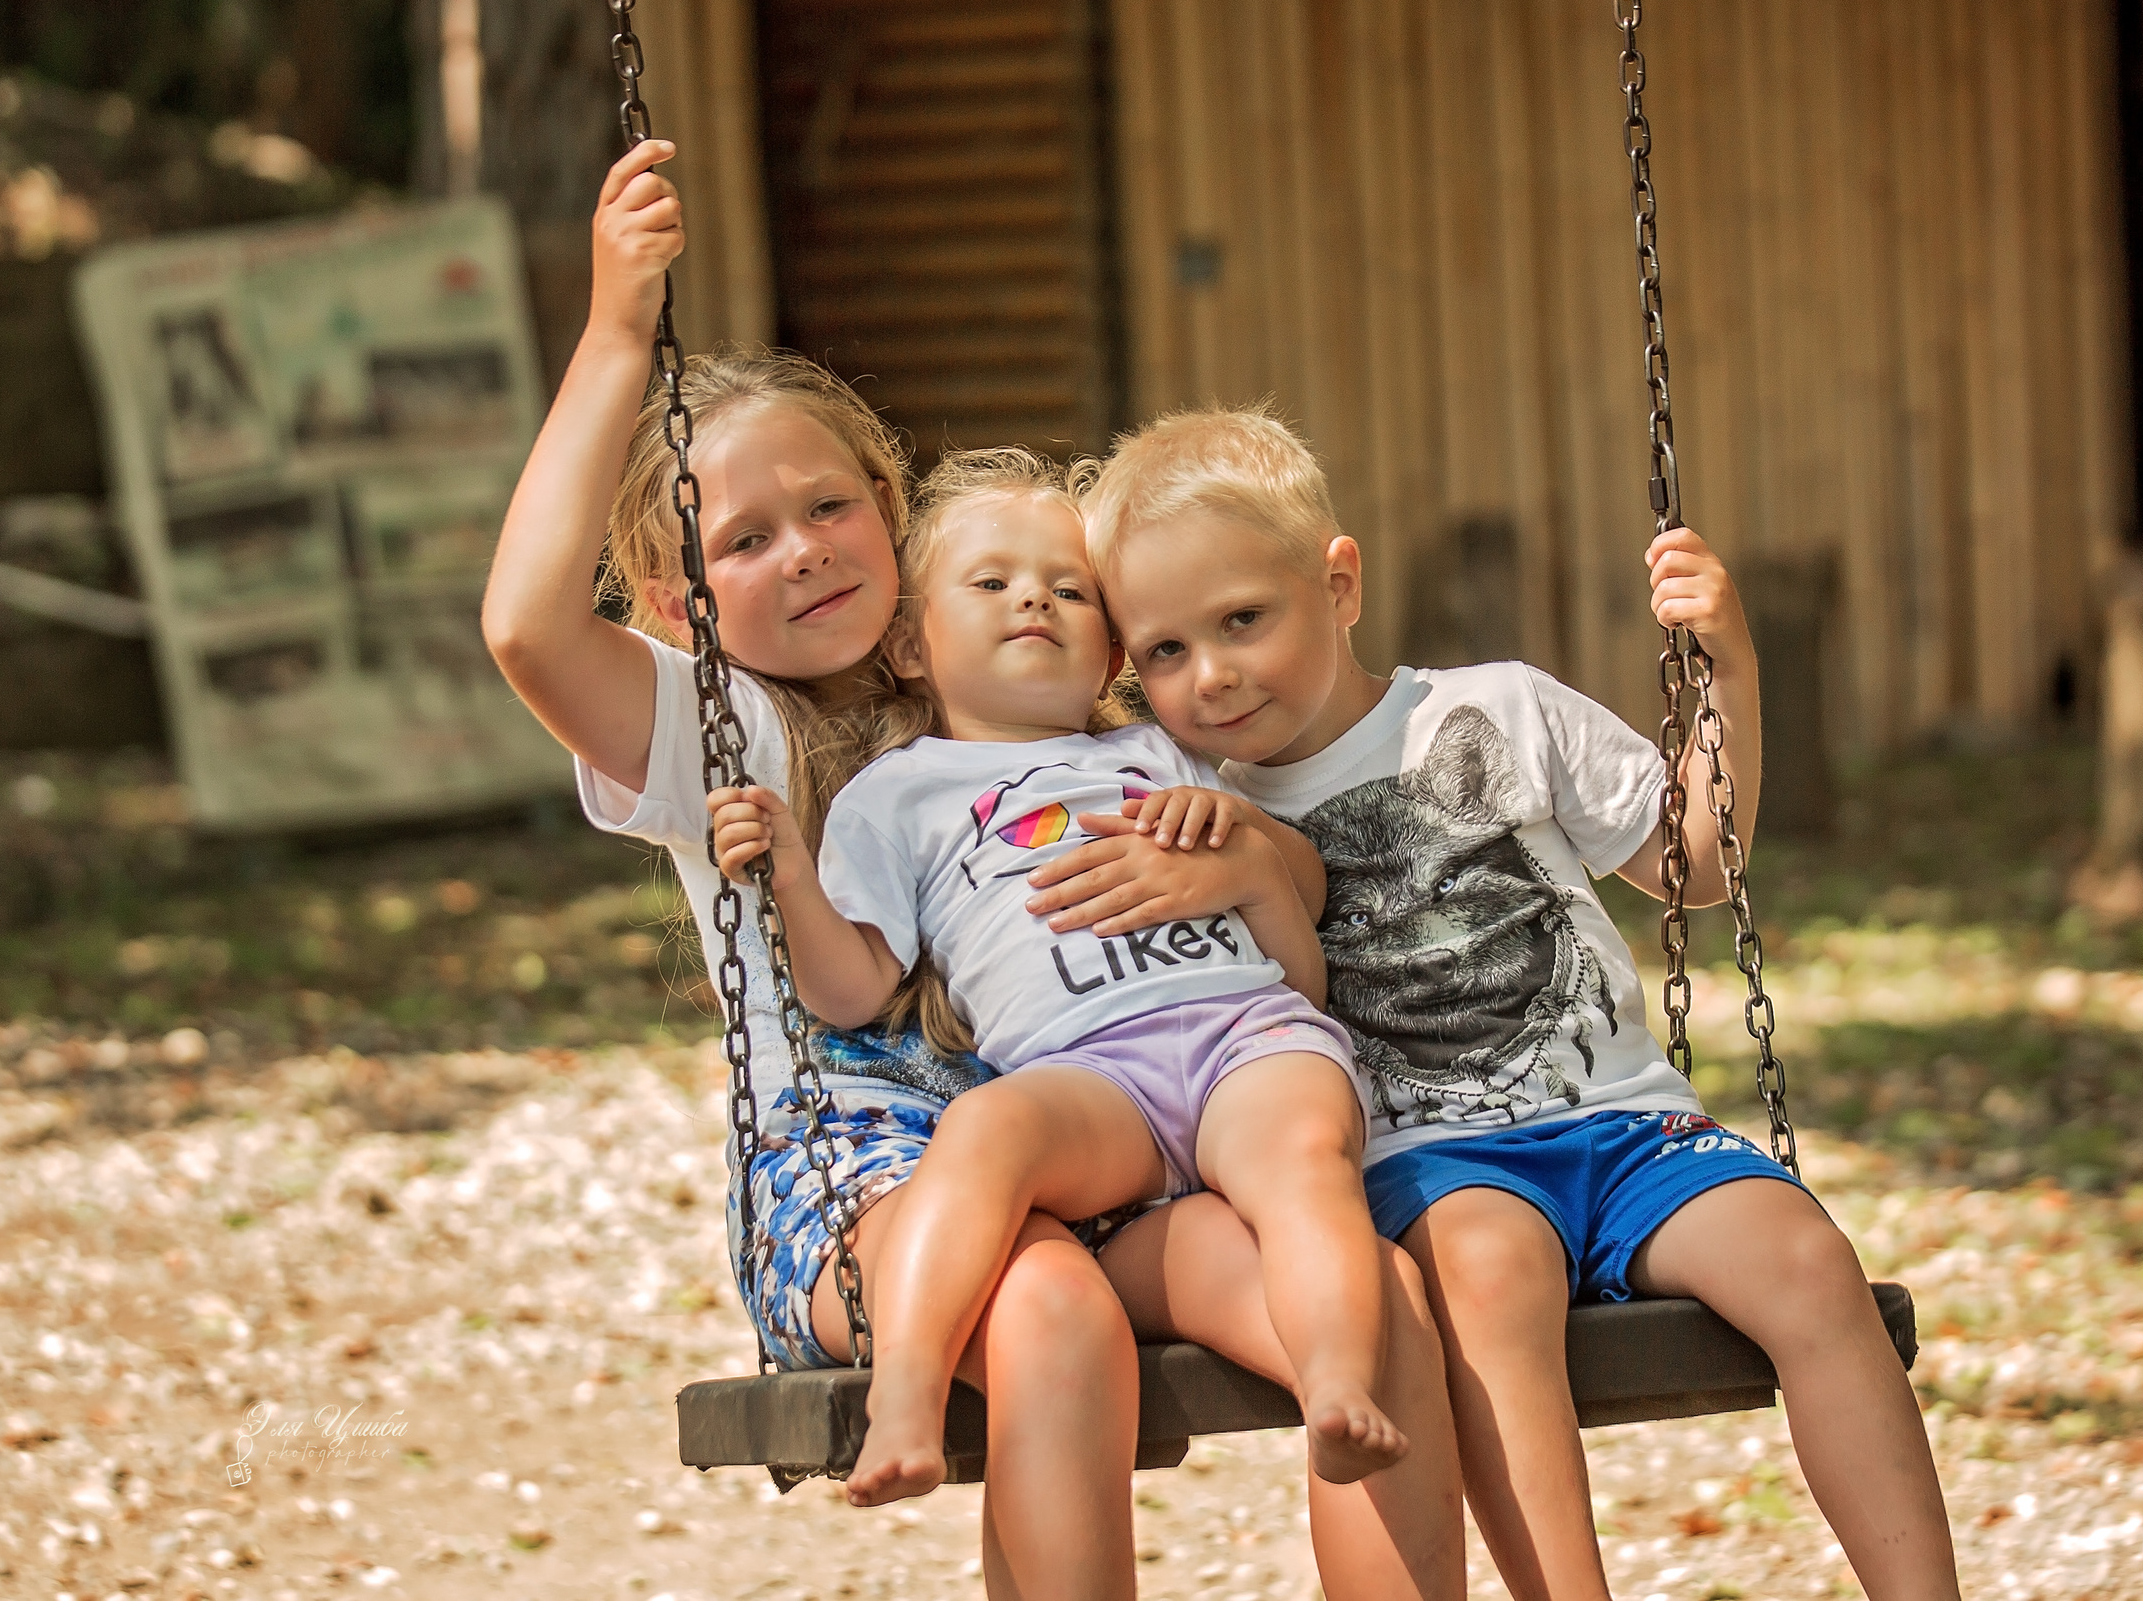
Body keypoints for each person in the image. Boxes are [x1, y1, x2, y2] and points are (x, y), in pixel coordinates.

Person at [483, 145, 1463, 1600]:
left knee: (1382, 1298)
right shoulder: (727, 728)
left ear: (893, 509)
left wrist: (1245, 856)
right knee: (1049, 1307)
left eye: (828, 507)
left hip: (1114, 1118)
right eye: (746, 541)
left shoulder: (1042, 715)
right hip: (867, 1180)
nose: (804, 554)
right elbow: (523, 628)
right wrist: (621, 329)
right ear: (688, 606)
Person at [1028, 408, 1962, 1601]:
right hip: (1430, 1159)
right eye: (1162, 653)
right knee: (1486, 1279)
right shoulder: (1184, 798)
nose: (1208, 674)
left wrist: (1726, 669)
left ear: (1339, 582)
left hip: (1629, 1130)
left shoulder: (1502, 708)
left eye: (1242, 622)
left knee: (1811, 1266)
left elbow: (1697, 864)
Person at [708, 447, 1413, 1510]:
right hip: (1092, 1078)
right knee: (984, 1135)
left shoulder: (1158, 754)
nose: (1033, 595)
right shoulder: (896, 796)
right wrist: (793, 877)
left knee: (1304, 1164)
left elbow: (1300, 897)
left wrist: (1245, 841)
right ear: (909, 642)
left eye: (1069, 588)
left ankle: (1335, 1384)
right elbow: (850, 991)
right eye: (991, 582)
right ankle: (904, 1397)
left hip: (1247, 1039)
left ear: (1107, 647)